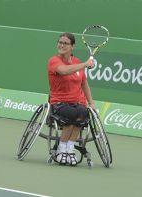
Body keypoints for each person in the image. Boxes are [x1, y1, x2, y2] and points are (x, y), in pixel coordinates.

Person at [47, 32, 95, 166]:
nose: (61, 45)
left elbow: (84, 83)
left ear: (72, 46)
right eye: (60, 42)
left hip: (76, 103)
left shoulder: (77, 62)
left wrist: (91, 103)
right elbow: (64, 71)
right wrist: (85, 64)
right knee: (71, 114)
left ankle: (70, 148)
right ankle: (61, 149)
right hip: (58, 103)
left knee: (83, 113)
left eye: (65, 43)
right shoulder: (53, 61)